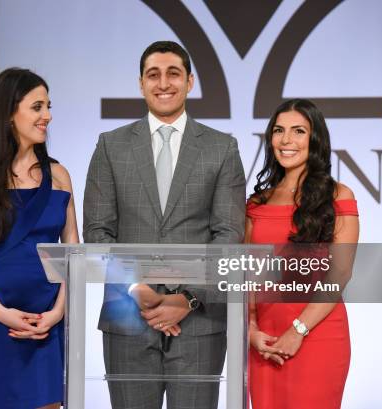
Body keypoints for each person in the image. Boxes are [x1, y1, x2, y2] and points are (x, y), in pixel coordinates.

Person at [83, 41, 246, 409]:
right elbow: (97, 231)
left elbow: (228, 235)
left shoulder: (222, 148)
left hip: (199, 322)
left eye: (173, 73)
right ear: (140, 84)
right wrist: (140, 290)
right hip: (127, 318)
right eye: (152, 75)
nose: (163, 83)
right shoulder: (111, 146)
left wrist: (186, 298)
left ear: (190, 82)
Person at [0, 68, 78, 409]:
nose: (47, 116)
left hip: (45, 322)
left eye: (48, 106)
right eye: (37, 107)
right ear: (9, 112)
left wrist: (57, 313)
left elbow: (73, 256)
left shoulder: (60, 175)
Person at [246, 98, 359, 409]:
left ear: (315, 139)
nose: (286, 140)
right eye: (279, 130)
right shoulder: (256, 203)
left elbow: (340, 273)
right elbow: (246, 274)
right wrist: (251, 330)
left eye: (298, 131)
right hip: (264, 343)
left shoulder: (339, 196)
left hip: (317, 337)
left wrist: (298, 330)